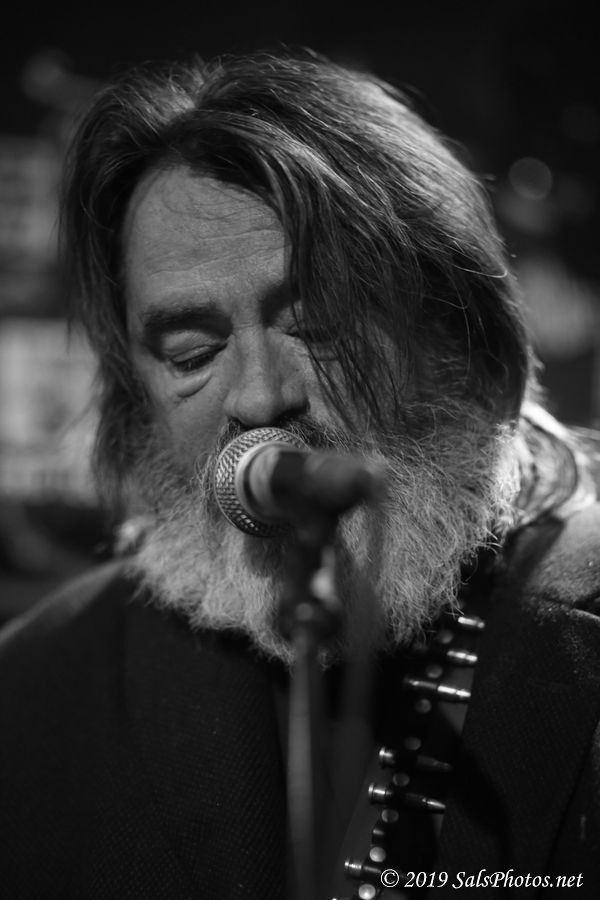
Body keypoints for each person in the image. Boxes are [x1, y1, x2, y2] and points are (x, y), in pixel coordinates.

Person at [1, 47, 599, 900]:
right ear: (137, 400)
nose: (260, 397)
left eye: (320, 327)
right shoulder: (34, 690)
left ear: (460, 339)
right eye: (193, 353)